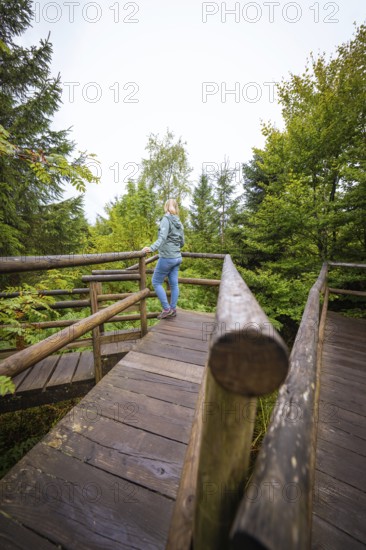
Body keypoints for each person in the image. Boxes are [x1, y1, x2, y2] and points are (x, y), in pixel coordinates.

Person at [142, 198, 185, 319]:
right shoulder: (179, 222)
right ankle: (173, 309)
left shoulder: (166, 219)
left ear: (166, 207)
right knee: (174, 285)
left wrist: (151, 248)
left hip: (167, 257)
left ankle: (166, 309)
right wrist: (176, 247)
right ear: (176, 208)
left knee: (156, 282)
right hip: (177, 257)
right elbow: (182, 241)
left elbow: (162, 238)